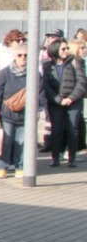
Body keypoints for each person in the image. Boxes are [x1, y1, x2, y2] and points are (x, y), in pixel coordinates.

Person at [42, 38, 86, 168]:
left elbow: (81, 82)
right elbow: (46, 86)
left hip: (74, 102)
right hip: (56, 103)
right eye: (63, 49)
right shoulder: (47, 65)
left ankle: (72, 158)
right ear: (55, 50)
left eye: (67, 48)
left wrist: (71, 98)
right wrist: (58, 99)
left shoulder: (75, 62)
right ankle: (55, 158)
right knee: (56, 130)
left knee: (73, 130)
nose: (66, 51)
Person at [0, 44, 30, 178]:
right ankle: (3, 167)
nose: (23, 58)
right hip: (7, 114)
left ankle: (20, 167)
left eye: (26, 55)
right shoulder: (5, 72)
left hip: (25, 116)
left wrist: (39, 109)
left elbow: (40, 92)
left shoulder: (33, 74)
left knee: (21, 143)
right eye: (20, 55)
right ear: (14, 56)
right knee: (7, 141)